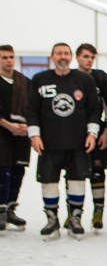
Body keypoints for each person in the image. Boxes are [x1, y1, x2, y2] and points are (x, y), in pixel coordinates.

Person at [27, 43, 101, 239]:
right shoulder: (40, 80)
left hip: (78, 143)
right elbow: (31, 110)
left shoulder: (84, 80)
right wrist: (34, 135)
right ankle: (52, 220)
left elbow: (94, 109)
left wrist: (92, 133)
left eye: (66, 53)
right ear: (52, 57)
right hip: (49, 143)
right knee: (48, 182)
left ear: (71, 57)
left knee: (77, 181)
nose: (63, 57)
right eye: (59, 53)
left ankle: (75, 219)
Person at [75, 43, 107, 230]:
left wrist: (106, 130)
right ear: (77, 57)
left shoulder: (101, 78)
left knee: (98, 172)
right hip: (74, 133)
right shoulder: (71, 78)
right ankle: (73, 213)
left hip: (98, 131)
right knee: (74, 174)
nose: (89, 60)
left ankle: (98, 212)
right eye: (86, 56)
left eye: (92, 57)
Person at [0, 44, 31, 231]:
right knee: (3, 170)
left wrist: (27, 126)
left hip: (22, 133)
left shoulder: (24, 81)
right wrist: (8, 125)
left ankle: (11, 208)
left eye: (11, 57)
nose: (8, 60)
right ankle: (1, 210)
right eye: (4, 57)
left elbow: (34, 106)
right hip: (2, 131)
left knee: (18, 170)